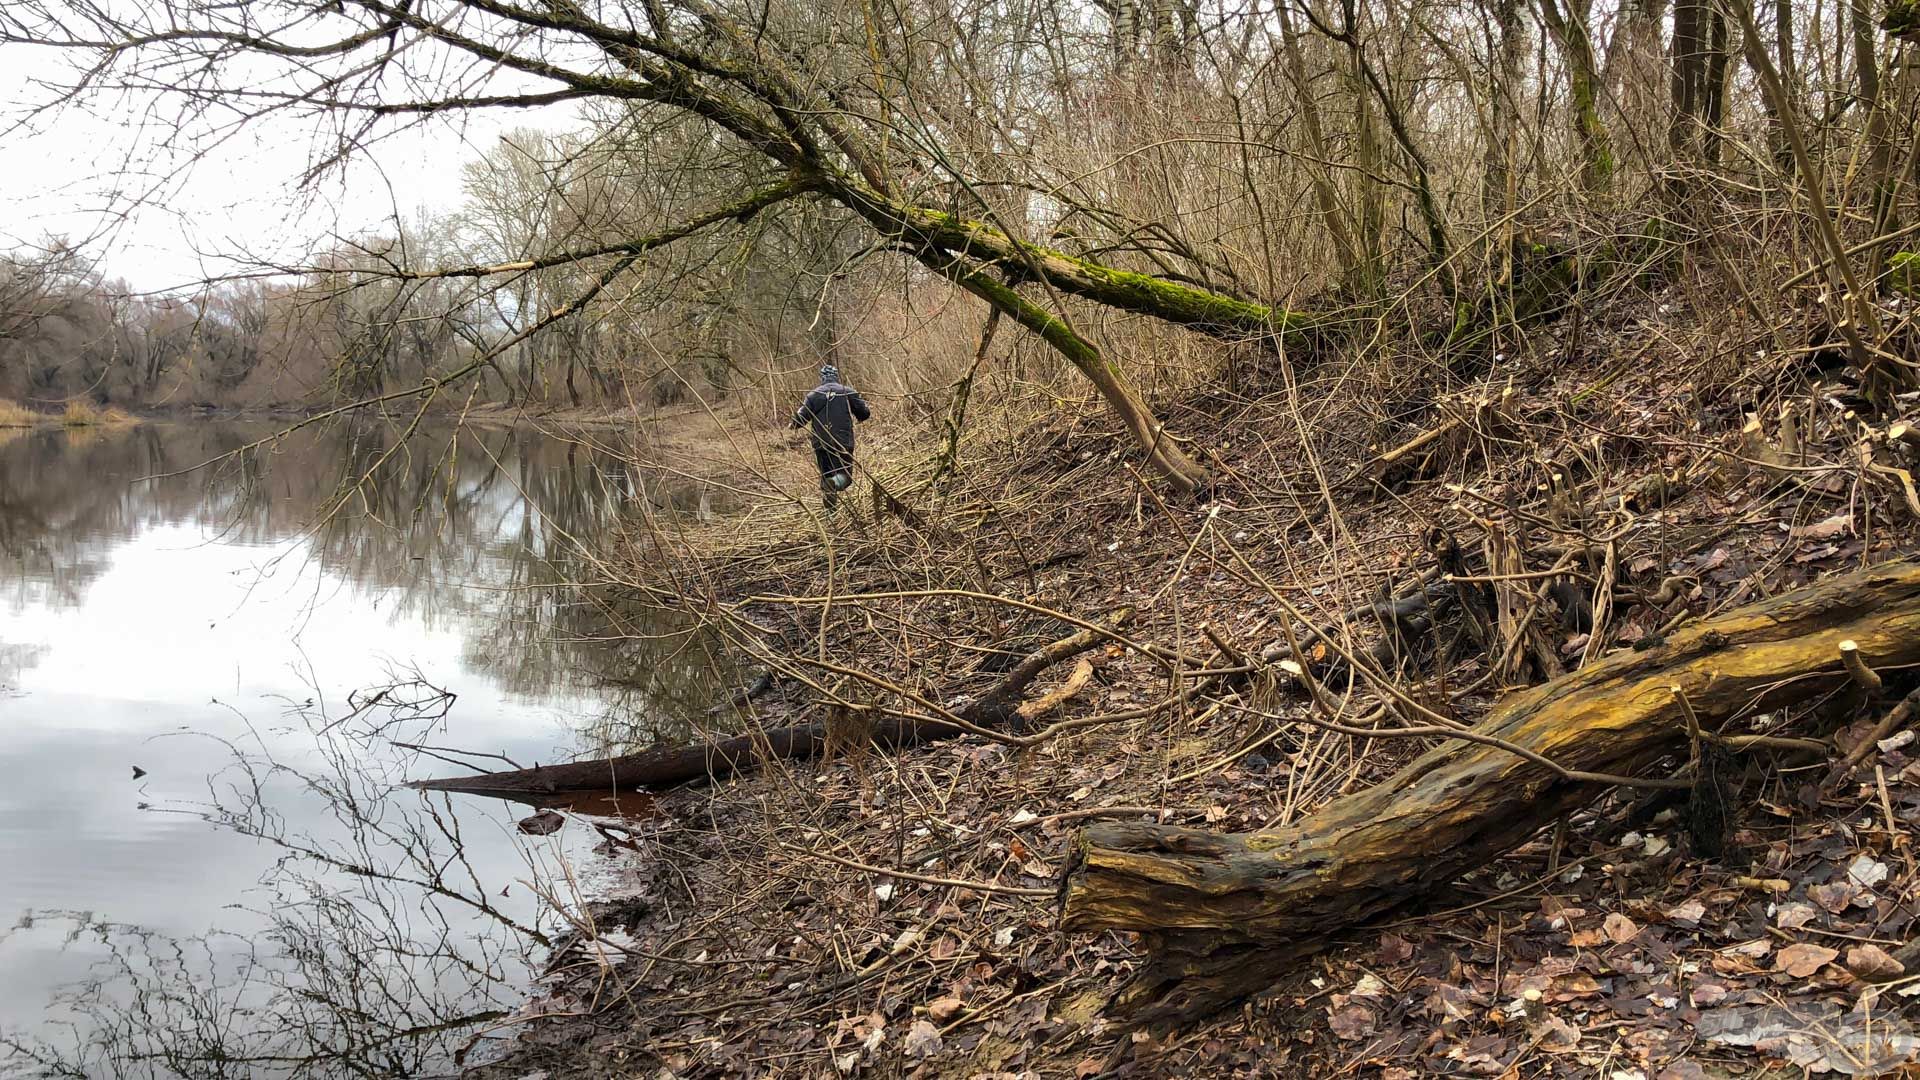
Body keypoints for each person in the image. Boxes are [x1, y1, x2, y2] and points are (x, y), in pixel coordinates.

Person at [791, 364, 871, 507]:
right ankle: (834, 483)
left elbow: (799, 420)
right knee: (845, 478)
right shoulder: (847, 392)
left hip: (821, 443)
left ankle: (830, 515)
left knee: (827, 477)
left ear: (822, 378)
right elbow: (864, 414)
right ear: (836, 376)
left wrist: (792, 423)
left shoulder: (813, 395)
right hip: (843, 442)